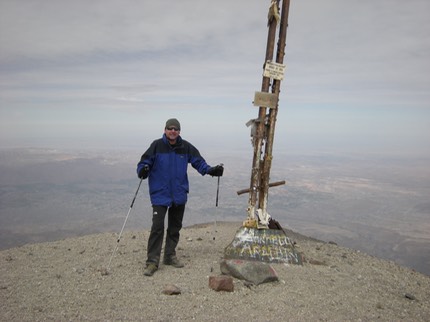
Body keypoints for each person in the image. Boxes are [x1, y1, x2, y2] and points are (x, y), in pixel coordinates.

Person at [136, 118, 224, 276]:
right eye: (170, 128)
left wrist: (211, 170)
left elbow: (199, 162)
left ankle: (169, 256)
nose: (173, 131)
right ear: (165, 130)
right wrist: (143, 170)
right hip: (160, 193)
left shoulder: (186, 147)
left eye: (175, 129)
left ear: (179, 131)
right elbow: (143, 163)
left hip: (179, 193)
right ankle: (152, 262)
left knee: (175, 227)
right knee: (157, 227)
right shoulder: (156, 146)